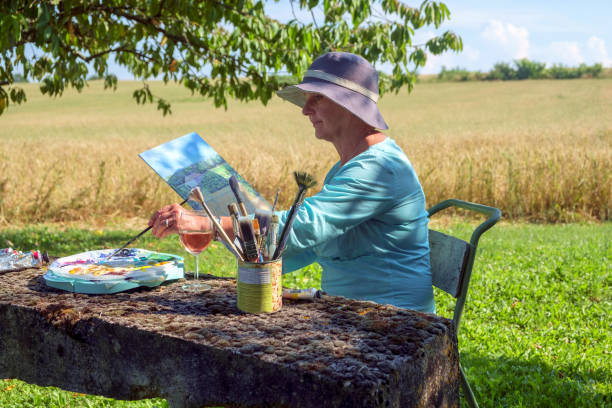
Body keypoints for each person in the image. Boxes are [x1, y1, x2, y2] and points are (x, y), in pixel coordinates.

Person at [149, 52, 435, 313]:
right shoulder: (345, 167)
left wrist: (208, 224)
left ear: (350, 104)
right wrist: (247, 241)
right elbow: (305, 246)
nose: (305, 109)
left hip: (395, 322)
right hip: (351, 314)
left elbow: (304, 227)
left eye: (317, 98)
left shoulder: (381, 168)